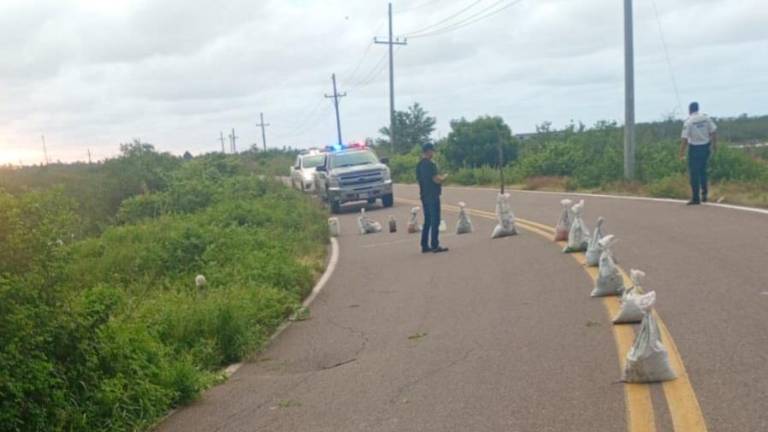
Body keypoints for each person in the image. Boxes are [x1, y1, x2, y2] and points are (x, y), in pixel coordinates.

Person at [680, 101, 717, 205]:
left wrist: (681, 153)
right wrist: (714, 146)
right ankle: (704, 194)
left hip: (694, 149)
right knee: (703, 171)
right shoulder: (706, 118)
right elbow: (713, 131)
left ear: (690, 110)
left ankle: (696, 198)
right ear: (698, 108)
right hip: (706, 147)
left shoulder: (689, 122)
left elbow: (684, 139)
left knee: (694, 174)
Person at [416, 143, 448, 253]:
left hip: (424, 195)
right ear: (428, 151)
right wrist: (443, 178)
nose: (433, 153)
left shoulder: (419, 165)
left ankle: (424, 245)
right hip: (433, 195)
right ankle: (435, 244)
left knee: (427, 220)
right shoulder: (430, 164)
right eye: (432, 151)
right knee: (435, 220)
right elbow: (435, 179)